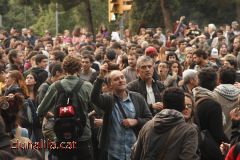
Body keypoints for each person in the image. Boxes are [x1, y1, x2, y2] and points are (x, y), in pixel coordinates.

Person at [91, 64, 152, 160]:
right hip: (114, 152)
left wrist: (136, 121)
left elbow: (149, 119)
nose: (121, 80)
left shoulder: (137, 98)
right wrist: (101, 76)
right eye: (116, 79)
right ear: (110, 85)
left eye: (122, 77)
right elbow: (94, 98)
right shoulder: (108, 99)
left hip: (134, 151)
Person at [37, 56, 94, 160]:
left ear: (64, 69)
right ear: (79, 69)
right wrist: (86, 114)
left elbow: (40, 111)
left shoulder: (55, 86)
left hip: (61, 133)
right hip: (83, 133)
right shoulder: (87, 86)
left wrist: (57, 116)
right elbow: (99, 109)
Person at [131, 87, 199, 160]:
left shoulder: (147, 125)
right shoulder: (189, 131)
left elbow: (135, 155)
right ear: (183, 106)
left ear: (163, 105)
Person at [193, 67, 228, 160]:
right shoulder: (213, 104)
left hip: (195, 146)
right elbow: (217, 133)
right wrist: (230, 143)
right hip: (208, 150)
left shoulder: (193, 97)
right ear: (216, 82)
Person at [214, 66, 240, 139]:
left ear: (219, 79)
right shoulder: (239, 94)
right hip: (236, 135)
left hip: (219, 137)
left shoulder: (213, 94)